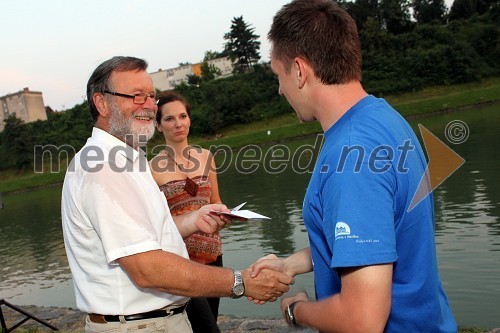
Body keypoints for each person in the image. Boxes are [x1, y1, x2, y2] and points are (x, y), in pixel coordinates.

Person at [250, 1, 458, 332]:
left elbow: (362, 319)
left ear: (300, 71)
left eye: (279, 75)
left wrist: (297, 309)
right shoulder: (383, 119)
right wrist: (290, 264)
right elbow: (376, 236)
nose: (280, 88)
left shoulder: (350, 156)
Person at [61, 56, 293, 333]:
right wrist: (240, 282)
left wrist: (195, 219)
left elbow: (149, 236)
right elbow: (147, 268)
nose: (148, 105)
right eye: (136, 96)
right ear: (101, 103)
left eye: (151, 96)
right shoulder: (103, 165)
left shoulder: (128, 160)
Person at [149, 92, 223, 333]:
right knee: (207, 328)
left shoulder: (206, 157)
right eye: (169, 119)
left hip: (213, 256)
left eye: (182, 116)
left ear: (190, 119)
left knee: (209, 319)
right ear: (158, 125)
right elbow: (154, 223)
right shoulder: (151, 170)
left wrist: (225, 216)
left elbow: (217, 201)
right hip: (181, 261)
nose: (178, 123)